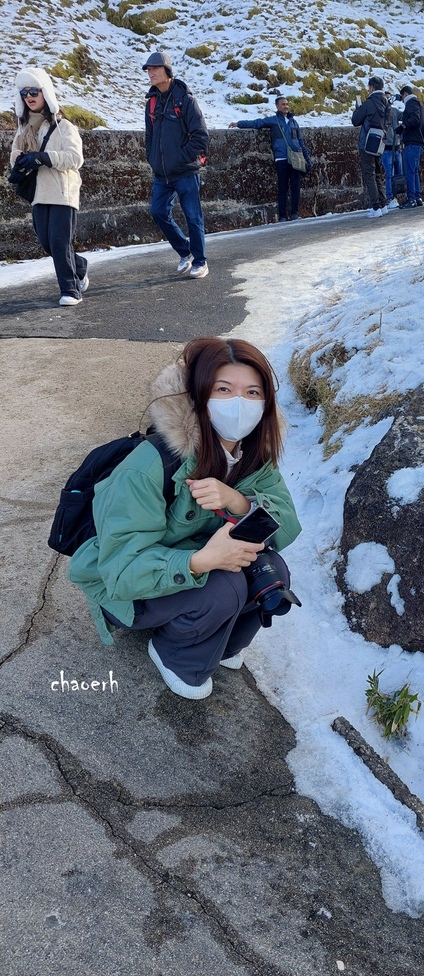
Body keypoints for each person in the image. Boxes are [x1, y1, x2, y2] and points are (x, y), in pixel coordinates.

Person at [68, 337, 302, 700]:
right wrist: (200, 561)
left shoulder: (253, 455)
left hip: (187, 566)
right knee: (225, 588)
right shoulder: (150, 465)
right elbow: (120, 571)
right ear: (199, 395)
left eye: (253, 392)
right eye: (224, 389)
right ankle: (175, 654)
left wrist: (239, 502)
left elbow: (286, 524)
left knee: (273, 571)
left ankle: (221, 643)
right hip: (126, 587)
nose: (240, 404)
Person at [9, 68, 88, 307]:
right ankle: (80, 267)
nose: (29, 96)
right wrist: (21, 158)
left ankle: (71, 290)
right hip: (39, 193)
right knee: (47, 243)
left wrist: (44, 157)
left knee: (59, 242)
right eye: (24, 93)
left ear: (46, 93)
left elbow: (75, 158)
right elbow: (13, 156)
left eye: (34, 91)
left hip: (63, 192)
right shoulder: (24, 129)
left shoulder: (64, 127)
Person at [143, 50, 210, 279]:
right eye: (148, 70)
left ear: (167, 71)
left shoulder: (186, 100)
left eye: (154, 69)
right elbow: (149, 137)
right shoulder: (151, 103)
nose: (150, 73)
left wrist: (181, 158)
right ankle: (185, 251)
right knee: (158, 212)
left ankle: (201, 261)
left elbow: (200, 137)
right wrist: (152, 158)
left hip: (185, 172)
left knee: (193, 217)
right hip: (162, 174)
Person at [229, 95, 312, 222]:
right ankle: (283, 215)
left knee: (295, 186)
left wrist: (307, 158)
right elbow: (257, 123)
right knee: (283, 187)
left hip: (295, 158)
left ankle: (294, 213)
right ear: (277, 106)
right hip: (282, 158)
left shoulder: (293, 122)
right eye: (283, 104)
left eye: (287, 104)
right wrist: (239, 124)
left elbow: (300, 141)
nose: (286, 106)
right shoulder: (274, 121)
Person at [351, 76, 389, 219]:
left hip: (367, 141)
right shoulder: (386, 102)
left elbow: (355, 120)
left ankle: (375, 207)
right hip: (381, 141)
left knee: (369, 174)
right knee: (378, 173)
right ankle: (383, 204)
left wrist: (358, 109)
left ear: (371, 87)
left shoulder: (369, 103)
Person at [397, 84, 424, 210]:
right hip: (419, 141)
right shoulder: (421, 106)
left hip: (412, 141)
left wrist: (403, 126)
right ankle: (417, 196)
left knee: (409, 171)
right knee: (414, 171)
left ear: (405, 94)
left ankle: (412, 199)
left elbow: (415, 119)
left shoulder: (411, 103)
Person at [383, 90, 403, 209]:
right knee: (389, 174)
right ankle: (390, 197)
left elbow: (405, 116)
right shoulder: (380, 112)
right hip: (387, 148)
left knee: (398, 174)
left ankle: (397, 196)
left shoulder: (394, 111)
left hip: (397, 146)